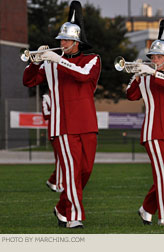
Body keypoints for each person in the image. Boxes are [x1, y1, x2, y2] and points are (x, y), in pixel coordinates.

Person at [23, 1, 101, 228]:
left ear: (77, 42)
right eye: (60, 40)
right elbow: (28, 81)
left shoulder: (92, 59)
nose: (62, 43)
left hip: (87, 123)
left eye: (66, 40)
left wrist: (58, 59)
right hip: (62, 125)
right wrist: (35, 62)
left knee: (85, 170)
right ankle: (74, 217)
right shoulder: (50, 63)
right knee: (71, 172)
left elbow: (84, 76)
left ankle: (62, 207)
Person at [126, 19, 164, 226]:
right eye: (152, 56)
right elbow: (131, 96)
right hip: (153, 131)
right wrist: (135, 76)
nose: (154, 59)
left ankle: (147, 208)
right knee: (163, 174)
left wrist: (152, 72)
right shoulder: (145, 77)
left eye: (159, 56)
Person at [42, 94, 63, 193]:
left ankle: (52, 180)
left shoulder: (65, 94)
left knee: (67, 159)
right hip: (55, 132)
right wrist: (60, 111)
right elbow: (45, 114)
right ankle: (59, 184)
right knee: (60, 158)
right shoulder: (47, 98)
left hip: (67, 130)